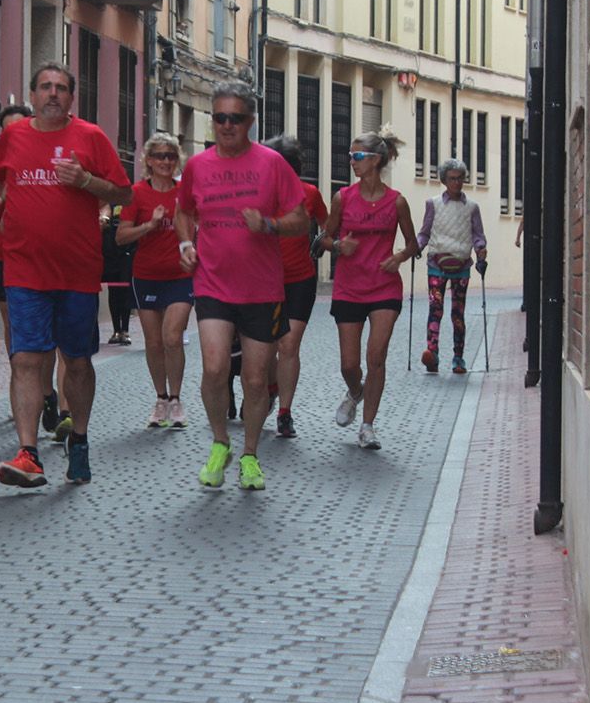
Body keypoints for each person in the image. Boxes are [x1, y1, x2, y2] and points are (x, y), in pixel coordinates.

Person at [0, 62, 132, 487]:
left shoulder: (90, 138)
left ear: (71, 98)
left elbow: (123, 192)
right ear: (32, 94)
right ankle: (28, 452)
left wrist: (86, 181)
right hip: (24, 269)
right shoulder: (13, 136)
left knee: (78, 363)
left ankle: (79, 439)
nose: (52, 94)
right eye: (45, 87)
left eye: (60, 88)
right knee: (25, 359)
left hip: (77, 272)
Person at [175, 83, 308, 491]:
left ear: (250, 121)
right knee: (215, 368)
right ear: (211, 120)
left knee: (254, 380)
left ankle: (249, 453)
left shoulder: (272, 165)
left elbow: (301, 219)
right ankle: (220, 442)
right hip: (213, 282)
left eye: (235, 118)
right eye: (219, 117)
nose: (226, 125)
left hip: (263, 289)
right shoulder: (198, 166)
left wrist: (269, 225)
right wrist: (185, 242)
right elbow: (184, 212)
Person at [0, 104, 66, 432]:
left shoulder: (48, 160)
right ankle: (25, 388)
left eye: (19, 127)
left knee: (47, 331)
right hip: (4, 255)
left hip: (45, 254)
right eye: (7, 129)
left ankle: (47, 389)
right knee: (16, 326)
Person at [320, 130, 419, 450]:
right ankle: (355, 391)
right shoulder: (342, 198)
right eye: (350, 156)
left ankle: (367, 426)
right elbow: (322, 240)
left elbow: (413, 244)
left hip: (384, 288)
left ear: (376, 160)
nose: (352, 162)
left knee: (376, 356)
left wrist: (399, 257)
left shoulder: (397, 201)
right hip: (349, 288)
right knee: (349, 365)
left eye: (357, 157)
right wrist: (337, 245)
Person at [115, 133, 193, 429]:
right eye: (159, 156)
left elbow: (199, 226)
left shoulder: (185, 192)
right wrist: (149, 225)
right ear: (148, 160)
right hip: (146, 275)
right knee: (154, 341)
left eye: (171, 156)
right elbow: (121, 236)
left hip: (180, 275)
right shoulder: (137, 194)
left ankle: (176, 399)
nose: (165, 161)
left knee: (173, 337)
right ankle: (160, 399)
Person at [262, 135, 328, 438]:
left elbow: (329, 225)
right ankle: (273, 387)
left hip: (300, 278)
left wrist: (326, 242)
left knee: (289, 345)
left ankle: (285, 413)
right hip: (264, 279)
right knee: (267, 350)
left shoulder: (309, 193)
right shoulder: (258, 193)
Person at [416, 158, 488, 374]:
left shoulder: (472, 207)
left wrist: (481, 249)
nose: (457, 183)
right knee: (435, 309)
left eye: (460, 179)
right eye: (452, 179)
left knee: (458, 313)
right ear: (444, 180)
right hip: (436, 264)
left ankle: (458, 358)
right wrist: (416, 247)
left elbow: (478, 235)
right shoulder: (433, 204)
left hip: (462, 265)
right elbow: (425, 232)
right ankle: (432, 353)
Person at [102, 204, 135, 345]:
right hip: (110, 255)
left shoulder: (130, 203)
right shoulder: (107, 205)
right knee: (113, 292)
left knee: (125, 292)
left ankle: (125, 330)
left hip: (126, 254)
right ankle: (116, 330)